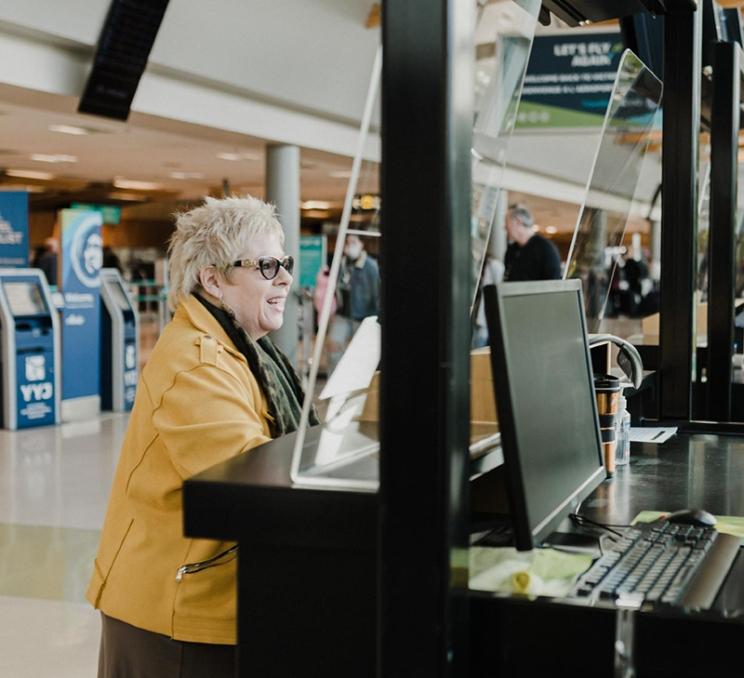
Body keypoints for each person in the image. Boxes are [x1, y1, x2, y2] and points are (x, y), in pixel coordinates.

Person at [87, 196, 318, 677]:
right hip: (172, 616)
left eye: (285, 264)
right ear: (213, 279)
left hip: (213, 598)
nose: (284, 278)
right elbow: (251, 484)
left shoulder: (244, 350)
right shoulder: (197, 363)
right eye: (267, 266)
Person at [327, 234, 380, 373]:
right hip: (343, 314)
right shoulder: (341, 263)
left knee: (362, 356)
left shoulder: (370, 267)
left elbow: (377, 294)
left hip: (363, 316)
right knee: (333, 348)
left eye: (354, 242)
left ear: (361, 244)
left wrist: (375, 320)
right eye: (348, 242)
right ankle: (335, 386)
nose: (350, 245)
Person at [503, 204, 561, 282]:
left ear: (518, 222)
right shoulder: (512, 249)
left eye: (507, 222)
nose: (505, 227)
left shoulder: (546, 249)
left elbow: (554, 285)